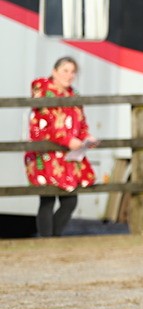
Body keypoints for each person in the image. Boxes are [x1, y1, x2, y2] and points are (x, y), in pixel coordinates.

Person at [25, 57, 97, 236]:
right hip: (46, 153)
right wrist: (67, 140)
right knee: (47, 200)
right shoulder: (43, 92)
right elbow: (46, 124)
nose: (69, 75)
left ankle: (54, 237)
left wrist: (86, 138)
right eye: (65, 70)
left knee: (70, 201)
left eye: (73, 72)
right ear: (54, 71)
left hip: (67, 156)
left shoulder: (73, 95)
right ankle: (47, 239)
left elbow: (81, 123)